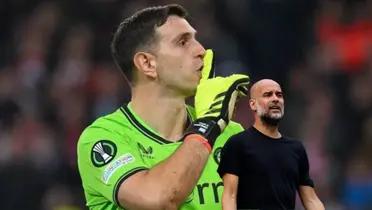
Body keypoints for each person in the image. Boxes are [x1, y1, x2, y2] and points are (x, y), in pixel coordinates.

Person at [77, 4, 250, 210]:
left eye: (195, 39)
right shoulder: (103, 138)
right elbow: (158, 199)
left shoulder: (231, 135)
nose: (201, 50)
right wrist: (208, 124)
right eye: (183, 42)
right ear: (147, 64)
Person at [218, 79, 325, 210]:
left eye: (279, 95)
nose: (275, 99)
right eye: (268, 95)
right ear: (253, 104)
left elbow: (311, 199)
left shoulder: (296, 149)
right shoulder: (238, 144)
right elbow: (230, 196)